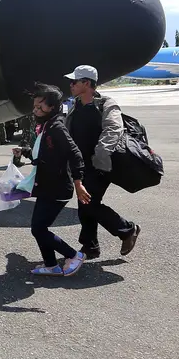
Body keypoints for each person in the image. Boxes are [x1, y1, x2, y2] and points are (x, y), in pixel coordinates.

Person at [14, 83, 91, 275]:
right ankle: (51, 265)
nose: (36, 110)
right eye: (35, 106)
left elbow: (75, 155)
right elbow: (47, 154)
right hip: (47, 185)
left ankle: (74, 255)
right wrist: (25, 152)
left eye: (41, 107)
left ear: (53, 108)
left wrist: (79, 183)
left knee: (39, 228)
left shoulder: (56, 127)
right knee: (39, 227)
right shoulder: (47, 125)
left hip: (58, 188)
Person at [64, 65, 140, 259]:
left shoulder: (105, 104)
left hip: (99, 165)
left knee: (89, 204)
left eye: (74, 81)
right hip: (81, 166)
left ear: (86, 83)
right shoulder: (76, 106)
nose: (70, 85)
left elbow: (114, 129)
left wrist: (99, 154)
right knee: (85, 205)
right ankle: (90, 247)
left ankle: (127, 230)